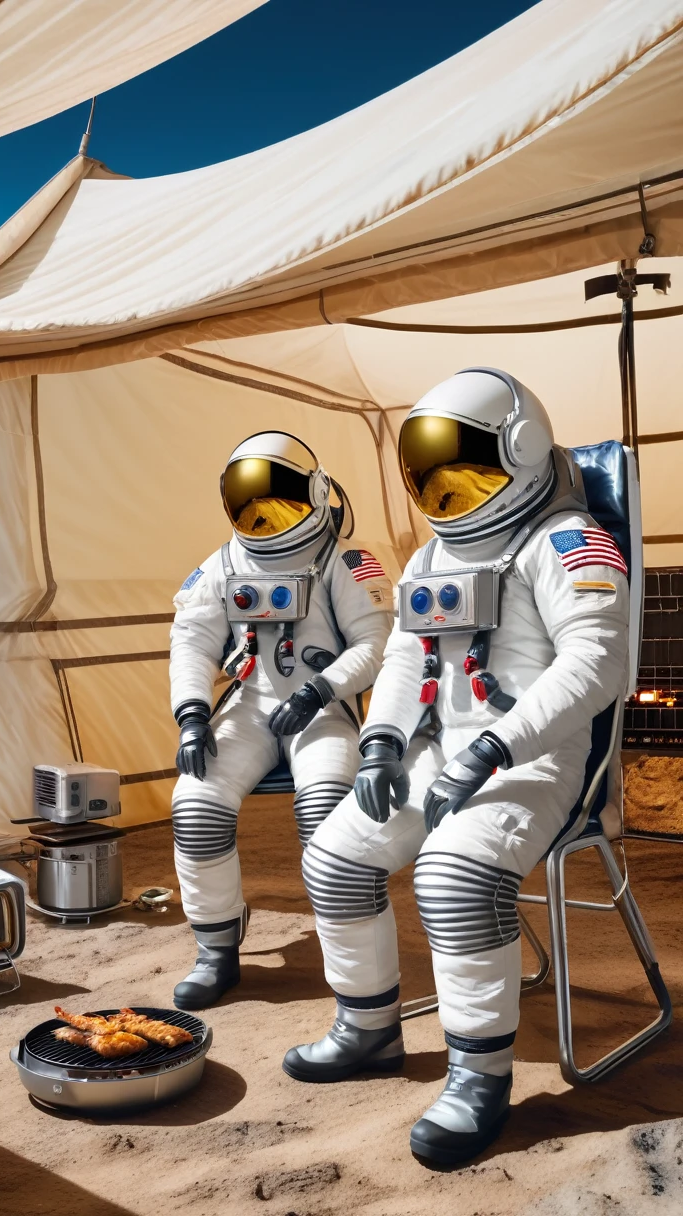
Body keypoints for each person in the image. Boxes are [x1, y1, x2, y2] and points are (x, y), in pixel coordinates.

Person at [283, 369, 630, 1165]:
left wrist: (492, 747)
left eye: (465, 469)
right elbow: (406, 660)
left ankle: (479, 1076)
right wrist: (380, 744)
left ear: (521, 447)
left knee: (452, 876)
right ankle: (366, 1028)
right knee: (334, 860)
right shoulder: (432, 556)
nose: (447, 490)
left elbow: (597, 663)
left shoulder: (567, 541)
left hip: (537, 761)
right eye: (432, 475)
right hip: (435, 754)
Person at [169, 431, 392, 1010]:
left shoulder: (343, 558)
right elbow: (192, 642)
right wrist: (192, 715)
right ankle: (216, 952)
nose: (262, 514)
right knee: (195, 806)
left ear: (317, 492)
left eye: (277, 499)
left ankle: (348, 964)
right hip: (250, 705)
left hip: (322, 712)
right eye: (247, 503)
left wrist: (321, 688)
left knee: (326, 820)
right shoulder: (222, 563)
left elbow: (375, 642)